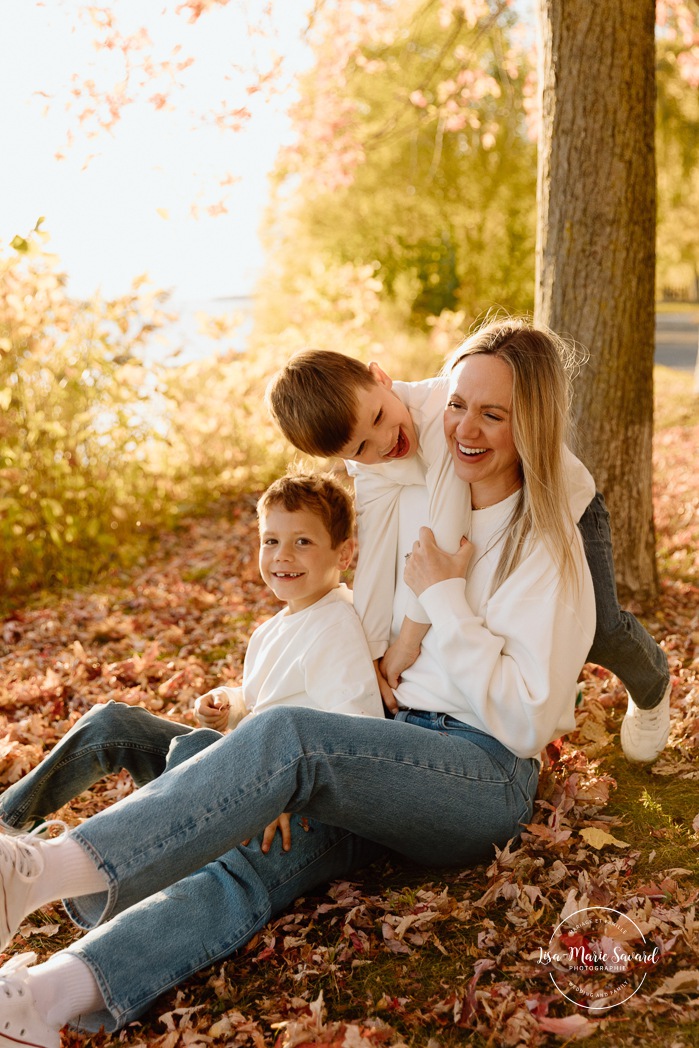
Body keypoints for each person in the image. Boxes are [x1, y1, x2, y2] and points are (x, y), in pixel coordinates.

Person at [0, 319, 596, 1045]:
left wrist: (445, 601)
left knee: (288, 739)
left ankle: (41, 870)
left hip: (482, 775)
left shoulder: (547, 550)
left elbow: (529, 721)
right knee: (254, 858)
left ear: (530, 421)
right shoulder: (420, 486)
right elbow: (371, 564)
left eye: (493, 414)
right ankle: (44, 1002)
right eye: (458, 404)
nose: (465, 427)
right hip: (388, 749)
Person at [267, 342, 671, 764]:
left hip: (558, 501)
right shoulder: (370, 460)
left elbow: (446, 528)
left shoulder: (444, 409)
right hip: (493, 505)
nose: (384, 443)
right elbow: (375, 544)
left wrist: (405, 642)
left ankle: (653, 683)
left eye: (380, 418)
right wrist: (370, 652)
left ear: (380, 377)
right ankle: (537, 696)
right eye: (360, 449)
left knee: (601, 629)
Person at [0, 471, 384, 848]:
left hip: (276, 790)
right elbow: (264, 699)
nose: (282, 555)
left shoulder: (337, 625)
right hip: (238, 767)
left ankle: (88, 855)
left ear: (344, 553)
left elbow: (354, 739)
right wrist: (230, 704)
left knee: (190, 750)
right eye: (271, 540)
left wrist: (280, 795)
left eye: (302, 541)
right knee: (112, 723)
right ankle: (7, 821)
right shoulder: (274, 628)